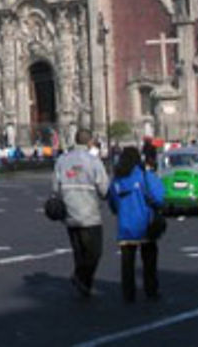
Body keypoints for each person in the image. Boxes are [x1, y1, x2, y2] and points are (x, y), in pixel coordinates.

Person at [53, 128, 109, 298]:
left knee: (79, 253)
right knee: (94, 252)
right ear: (89, 142)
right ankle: (81, 278)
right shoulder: (93, 161)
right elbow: (104, 189)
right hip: (89, 214)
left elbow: (55, 188)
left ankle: (85, 286)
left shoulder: (62, 161)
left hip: (69, 214)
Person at [107, 145, 164, 303]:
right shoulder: (145, 176)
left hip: (125, 226)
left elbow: (112, 202)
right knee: (149, 261)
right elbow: (159, 197)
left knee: (127, 264)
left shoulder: (117, 180)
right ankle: (150, 289)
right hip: (145, 224)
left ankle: (128, 293)